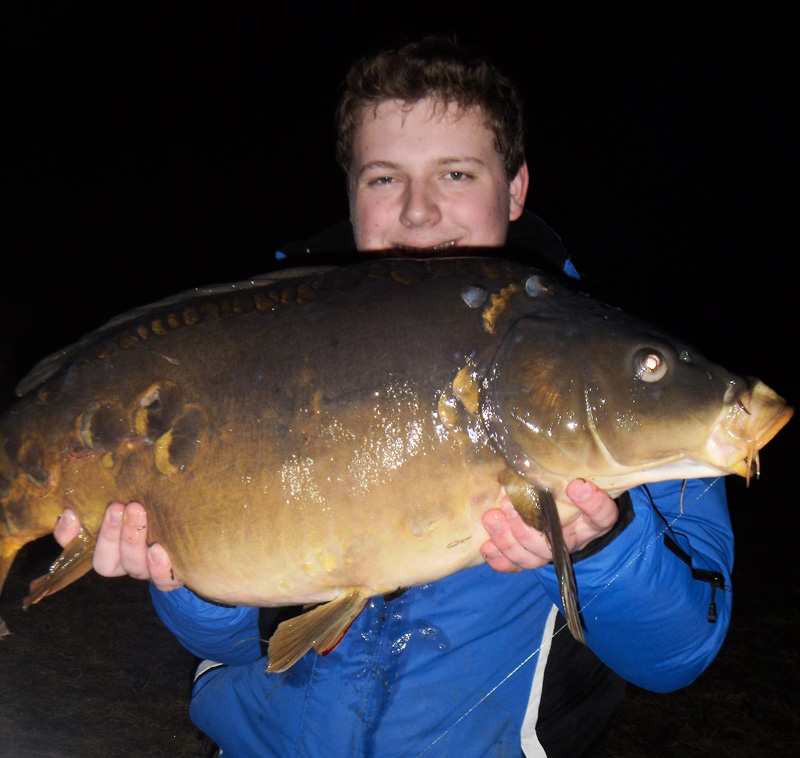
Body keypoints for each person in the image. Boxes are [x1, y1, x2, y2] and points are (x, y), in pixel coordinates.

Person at [53, 37, 732, 757]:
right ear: (351, 192)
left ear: (515, 189)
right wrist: (187, 578)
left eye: (456, 174)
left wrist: (600, 549)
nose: (417, 212)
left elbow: (676, 655)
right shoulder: (254, 346)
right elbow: (237, 646)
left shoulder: (601, 382)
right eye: (384, 179)